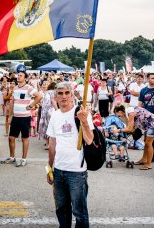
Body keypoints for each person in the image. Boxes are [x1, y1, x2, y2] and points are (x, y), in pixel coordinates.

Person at [46, 81, 94, 228]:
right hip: (59, 170)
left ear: (72, 95)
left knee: (79, 212)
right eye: (60, 93)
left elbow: (90, 139)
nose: (64, 96)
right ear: (55, 96)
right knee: (61, 210)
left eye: (67, 93)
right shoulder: (55, 115)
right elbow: (52, 144)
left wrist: (84, 121)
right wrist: (50, 168)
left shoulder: (81, 113)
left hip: (77, 172)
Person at [4, 71, 42, 167]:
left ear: (25, 77)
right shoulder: (15, 88)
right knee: (11, 137)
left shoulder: (29, 88)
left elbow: (39, 96)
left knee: (24, 138)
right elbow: (13, 102)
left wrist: (31, 105)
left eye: (21, 75)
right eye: (18, 75)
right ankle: (12, 157)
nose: (18, 77)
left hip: (25, 117)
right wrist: (10, 116)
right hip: (16, 117)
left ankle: (24, 159)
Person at [115, 104, 154, 171]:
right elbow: (133, 127)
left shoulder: (130, 113)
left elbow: (130, 129)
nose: (119, 116)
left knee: (148, 144)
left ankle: (148, 164)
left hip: (152, 125)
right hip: (149, 125)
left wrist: (118, 130)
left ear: (120, 111)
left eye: (118, 115)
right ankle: (144, 159)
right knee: (146, 143)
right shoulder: (130, 110)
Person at [138, 73, 154, 163]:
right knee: (148, 140)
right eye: (152, 78)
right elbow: (140, 104)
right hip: (149, 118)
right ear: (147, 79)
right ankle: (151, 158)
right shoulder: (143, 90)